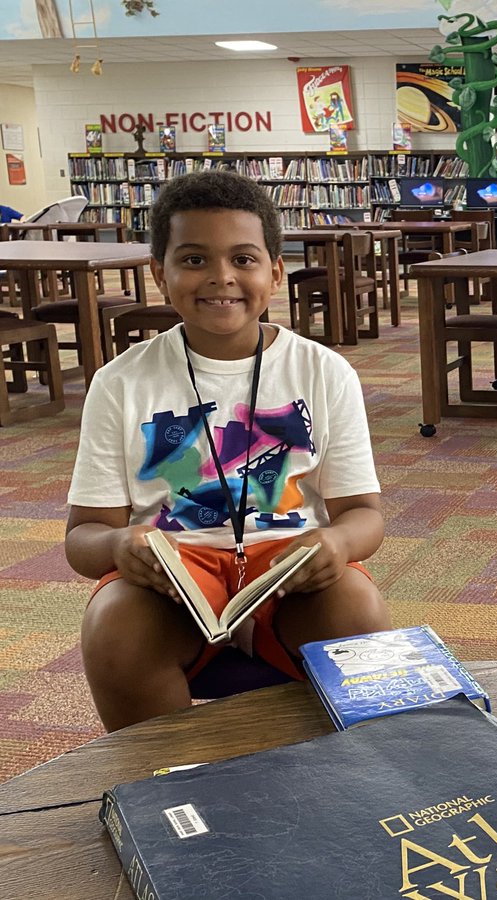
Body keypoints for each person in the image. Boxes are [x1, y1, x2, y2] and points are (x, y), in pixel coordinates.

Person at [66, 169, 391, 732]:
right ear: (159, 274)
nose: (222, 278)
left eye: (244, 259)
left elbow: (364, 515)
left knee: (357, 610)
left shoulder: (323, 370)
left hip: (289, 571)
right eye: (194, 260)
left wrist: (338, 542)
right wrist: (119, 545)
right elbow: (83, 538)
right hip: (172, 581)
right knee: (113, 626)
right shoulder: (120, 382)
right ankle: (167, 775)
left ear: (275, 271)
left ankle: (350, 767)